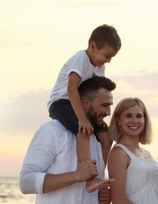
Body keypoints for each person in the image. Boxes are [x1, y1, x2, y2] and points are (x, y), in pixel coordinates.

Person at [20, 76, 116, 204]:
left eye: (110, 106)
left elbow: (93, 183)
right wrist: (76, 176)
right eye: (104, 105)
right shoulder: (52, 131)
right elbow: (26, 181)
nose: (108, 112)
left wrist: (103, 194)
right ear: (85, 102)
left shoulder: (97, 139)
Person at [47, 24, 121, 192]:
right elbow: (71, 88)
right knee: (83, 131)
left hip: (81, 105)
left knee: (106, 136)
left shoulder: (100, 67)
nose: (108, 60)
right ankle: (89, 179)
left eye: (112, 58)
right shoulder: (81, 58)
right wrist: (82, 119)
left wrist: (99, 119)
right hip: (61, 103)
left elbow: (97, 94)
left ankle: (99, 176)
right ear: (93, 47)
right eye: (107, 55)